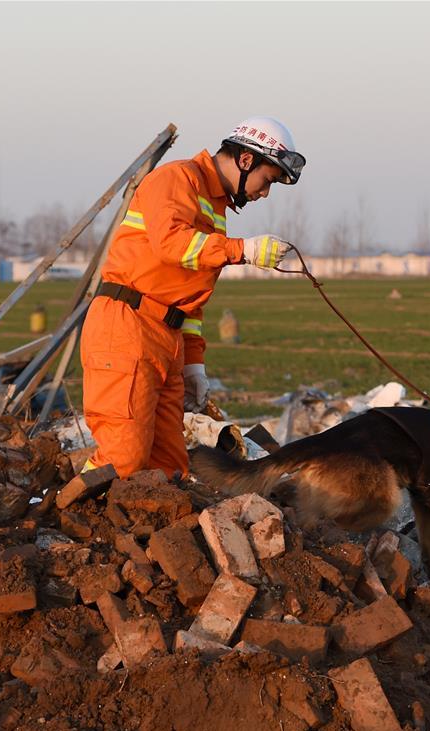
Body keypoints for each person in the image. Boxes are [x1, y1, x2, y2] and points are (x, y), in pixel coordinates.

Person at [80, 116, 305, 479]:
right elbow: (171, 244)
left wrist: (193, 364)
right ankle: (65, 506)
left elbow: (189, 297)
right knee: (123, 457)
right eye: (268, 180)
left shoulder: (216, 208)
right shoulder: (177, 179)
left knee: (169, 467)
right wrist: (242, 250)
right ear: (246, 160)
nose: (265, 193)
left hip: (166, 336)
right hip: (127, 326)